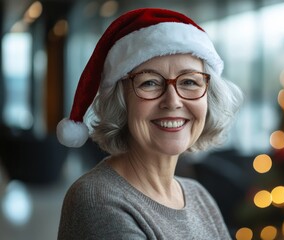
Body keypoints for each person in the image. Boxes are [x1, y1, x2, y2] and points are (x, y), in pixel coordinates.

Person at [56, 8, 243, 240]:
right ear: (121, 101)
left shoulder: (199, 196)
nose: (173, 101)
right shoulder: (98, 200)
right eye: (150, 83)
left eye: (189, 81)